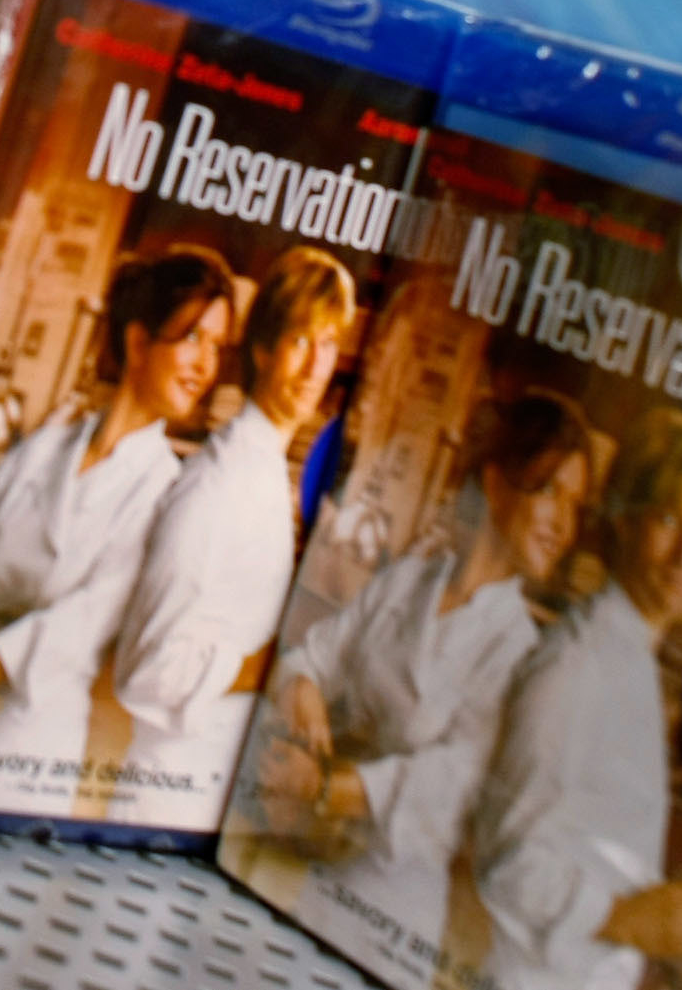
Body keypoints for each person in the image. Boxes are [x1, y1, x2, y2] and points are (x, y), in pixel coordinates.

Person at [0, 246, 235, 813]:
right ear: (138, 342)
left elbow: (80, 624)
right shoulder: (47, 447)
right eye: (192, 339)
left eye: (217, 347)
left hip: (28, 745)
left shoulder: (169, 491)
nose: (207, 367)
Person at [252, 391, 595, 990]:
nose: (565, 526)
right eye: (550, 492)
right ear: (496, 483)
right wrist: (302, 691)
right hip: (317, 879)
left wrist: (329, 786)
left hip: (392, 915)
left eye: (577, 505)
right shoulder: (410, 580)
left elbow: (452, 783)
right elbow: (317, 652)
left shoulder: (520, 653)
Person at [473, 409, 682, 990]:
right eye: (667, 520)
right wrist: (625, 919)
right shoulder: (575, 664)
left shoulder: (634, 657)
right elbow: (507, 865)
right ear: (621, 522)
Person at [107, 247, 358, 820]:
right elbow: (150, 667)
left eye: (327, 346)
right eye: (299, 341)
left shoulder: (266, 469)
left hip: (210, 785)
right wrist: (267, 668)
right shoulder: (217, 483)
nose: (314, 367)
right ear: (263, 350)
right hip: (161, 794)